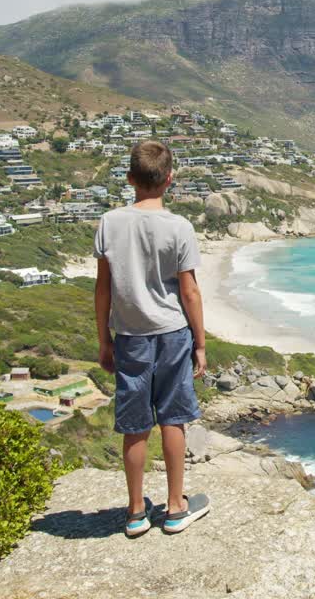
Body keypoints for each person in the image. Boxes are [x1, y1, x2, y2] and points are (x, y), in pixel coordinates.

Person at [94, 140, 210, 536]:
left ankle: (135, 511)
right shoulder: (179, 227)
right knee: (174, 420)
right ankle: (176, 507)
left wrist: (103, 340)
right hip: (173, 333)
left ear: (130, 179)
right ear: (169, 180)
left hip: (129, 336)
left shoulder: (110, 222)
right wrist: (200, 343)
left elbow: (103, 289)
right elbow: (190, 291)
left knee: (135, 425)